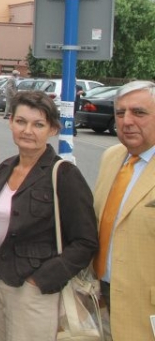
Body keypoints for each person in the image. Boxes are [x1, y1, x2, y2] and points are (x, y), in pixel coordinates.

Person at [0, 90, 98, 341]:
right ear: (10, 122)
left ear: (52, 129)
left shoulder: (64, 174)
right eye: (21, 121)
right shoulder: (6, 167)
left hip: (34, 292)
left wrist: (40, 280)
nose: (27, 130)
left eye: (38, 124)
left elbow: (85, 241)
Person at [92, 80, 155, 341]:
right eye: (120, 113)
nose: (127, 121)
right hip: (100, 303)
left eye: (139, 112)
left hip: (145, 310)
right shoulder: (112, 156)